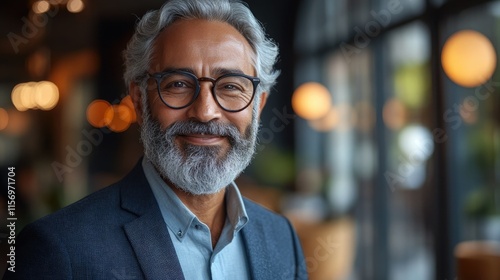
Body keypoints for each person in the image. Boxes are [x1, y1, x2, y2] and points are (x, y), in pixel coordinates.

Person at [3, 0, 307, 279]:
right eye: (177, 84)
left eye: (230, 87)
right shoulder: (60, 248)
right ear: (139, 100)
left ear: (258, 105)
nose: (205, 112)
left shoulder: (282, 238)